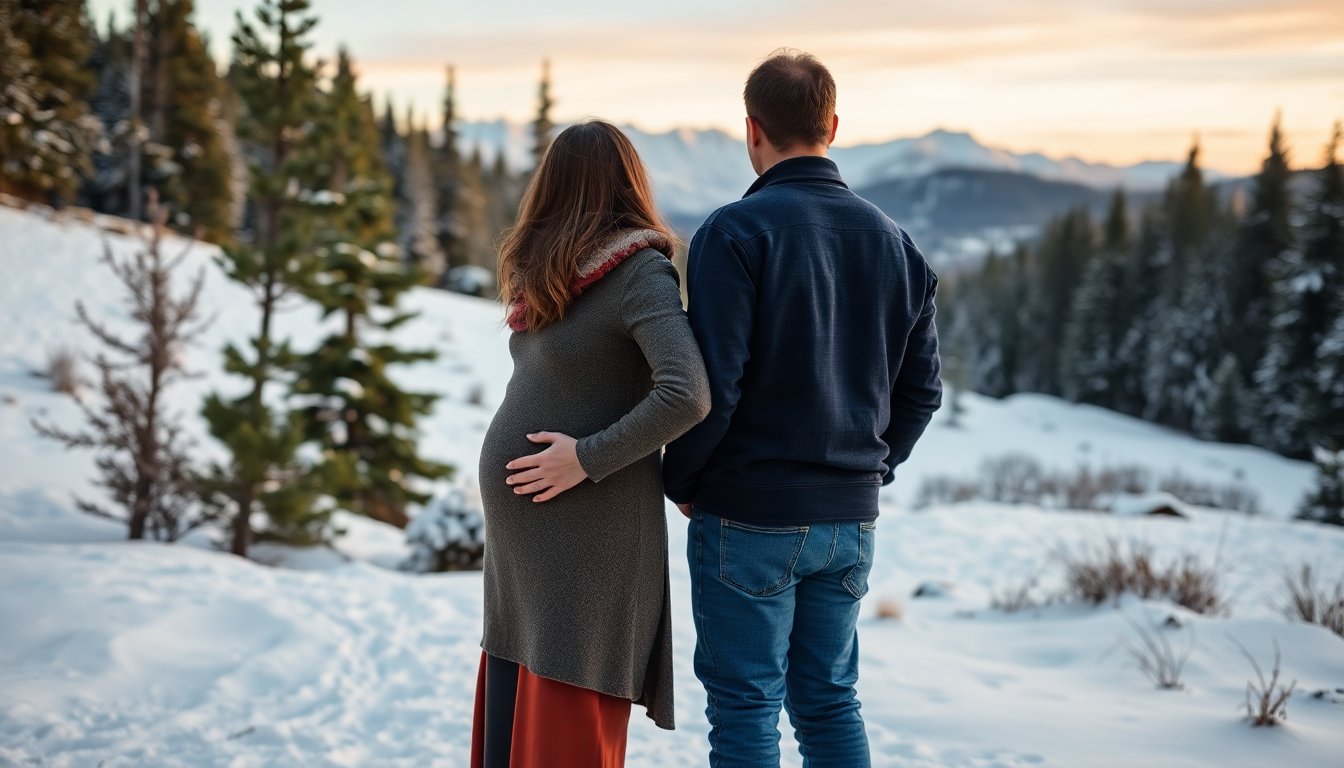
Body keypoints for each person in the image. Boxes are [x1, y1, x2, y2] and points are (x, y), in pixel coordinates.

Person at [663, 50, 943, 768]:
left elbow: (715, 384)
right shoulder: (897, 244)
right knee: (828, 701)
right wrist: (865, 473)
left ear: (751, 130)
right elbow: (921, 392)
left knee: (746, 706)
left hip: (749, 513)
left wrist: (684, 480)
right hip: (849, 520)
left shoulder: (735, 232)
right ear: (834, 125)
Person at [471, 120, 710, 767]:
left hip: (588, 538)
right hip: (535, 549)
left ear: (553, 188)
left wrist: (586, 457)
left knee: (562, 733)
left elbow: (686, 392)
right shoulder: (554, 275)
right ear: (627, 182)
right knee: (516, 724)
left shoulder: (639, 272)